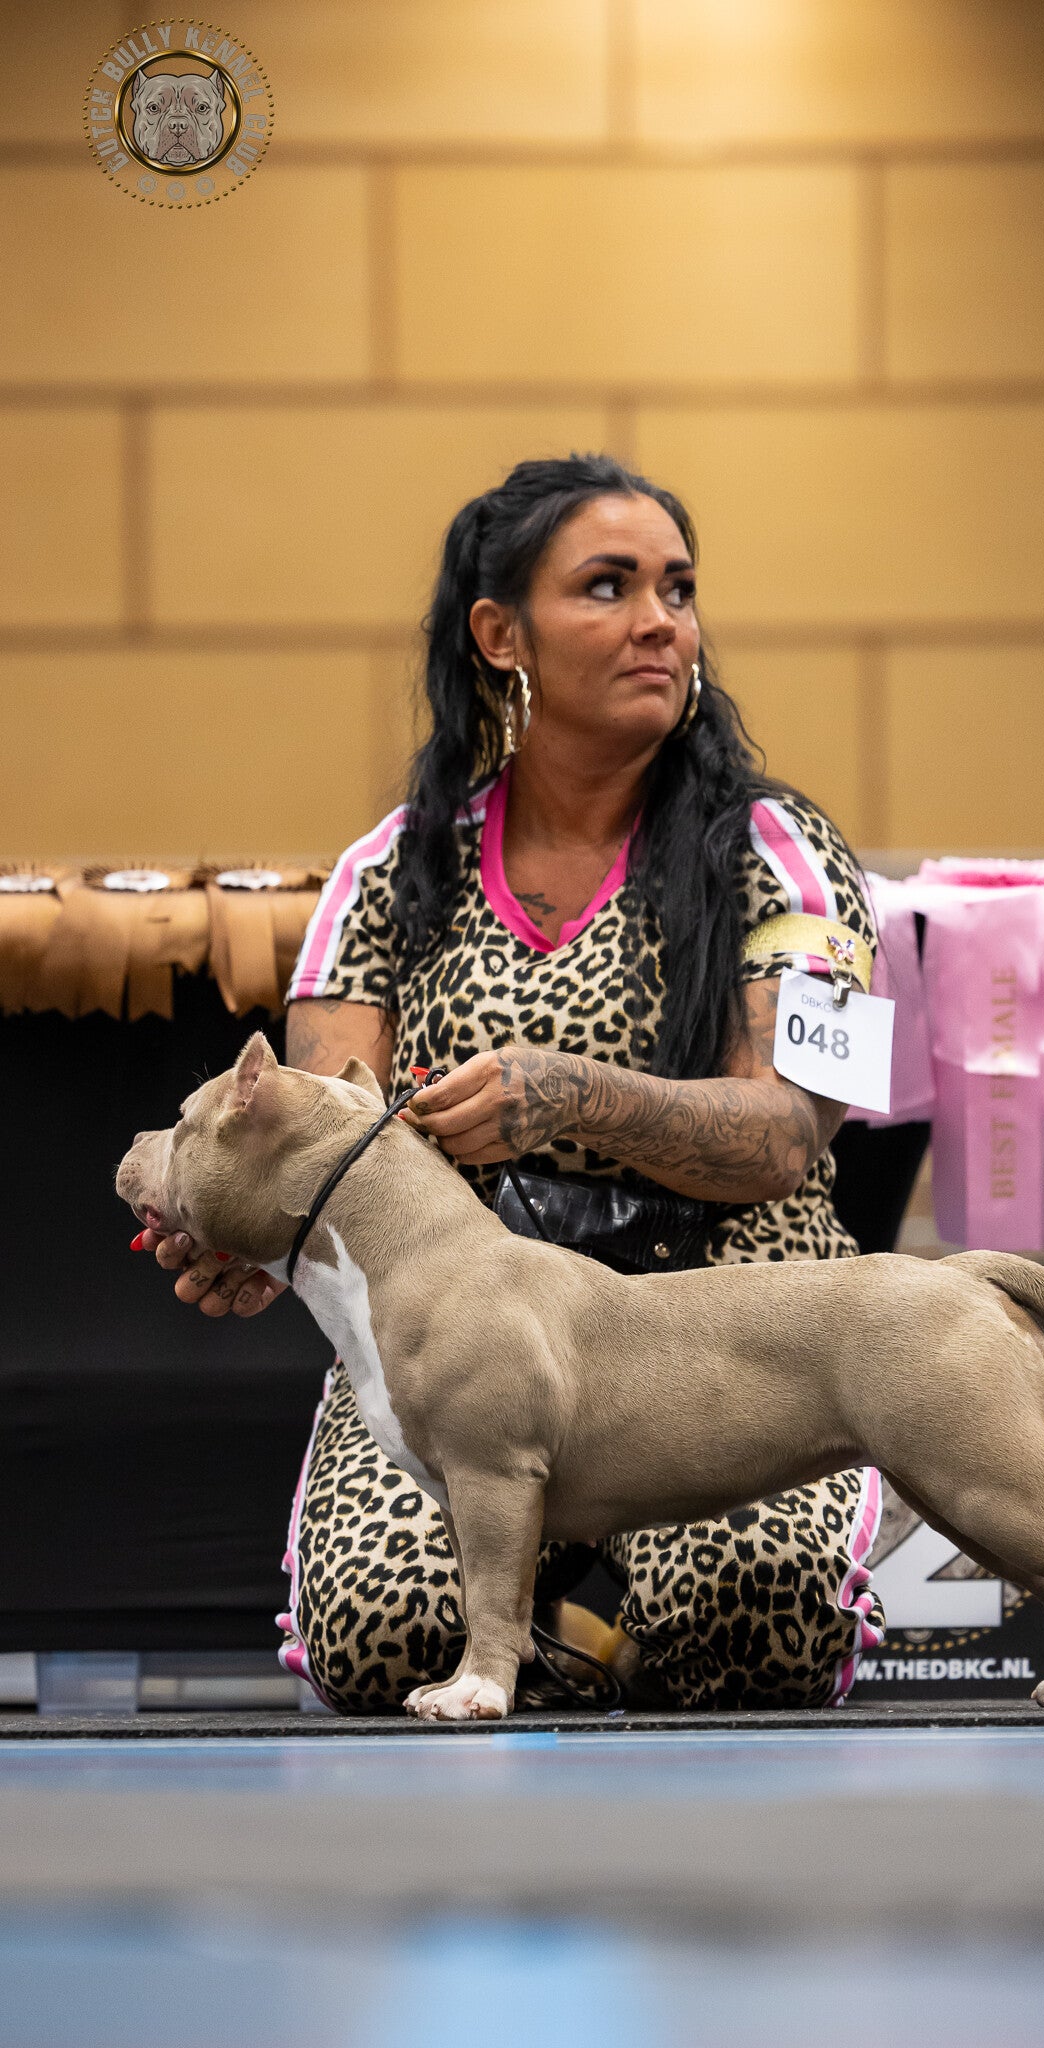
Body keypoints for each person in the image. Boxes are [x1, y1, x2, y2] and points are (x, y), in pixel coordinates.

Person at [147, 452, 886, 1712]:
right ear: (501, 634)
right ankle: (565, 1632)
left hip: (727, 1324)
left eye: (678, 588)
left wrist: (574, 1095)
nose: (662, 621)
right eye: (609, 586)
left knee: (752, 1620)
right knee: (386, 1635)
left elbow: (786, 1137)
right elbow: (311, 1147)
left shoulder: (788, 851)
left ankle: (583, 1637)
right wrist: (249, 1237)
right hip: (460, 1339)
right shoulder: (388, 868)